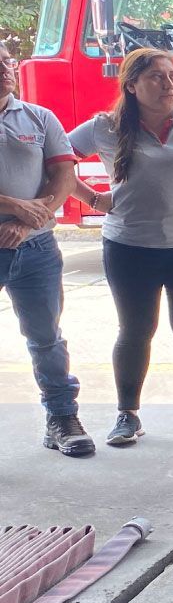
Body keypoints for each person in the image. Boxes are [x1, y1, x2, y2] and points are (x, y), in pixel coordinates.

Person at [69, 48, 173, 445]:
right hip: (129, 248)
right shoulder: (105, 127)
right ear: (132, 85)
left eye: (172, 76)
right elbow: (57, 162)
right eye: (157, 77)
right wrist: (93, 198)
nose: (168, 84)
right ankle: (127, 414)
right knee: (135, 330)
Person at [0, 44, 93, 456]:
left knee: (46, 339)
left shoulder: (39, 118)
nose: (5, 69)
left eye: (7, 61)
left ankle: (62, 419)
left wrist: (25, 222)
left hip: (35, 248)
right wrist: (13, 204)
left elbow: (64, 176)